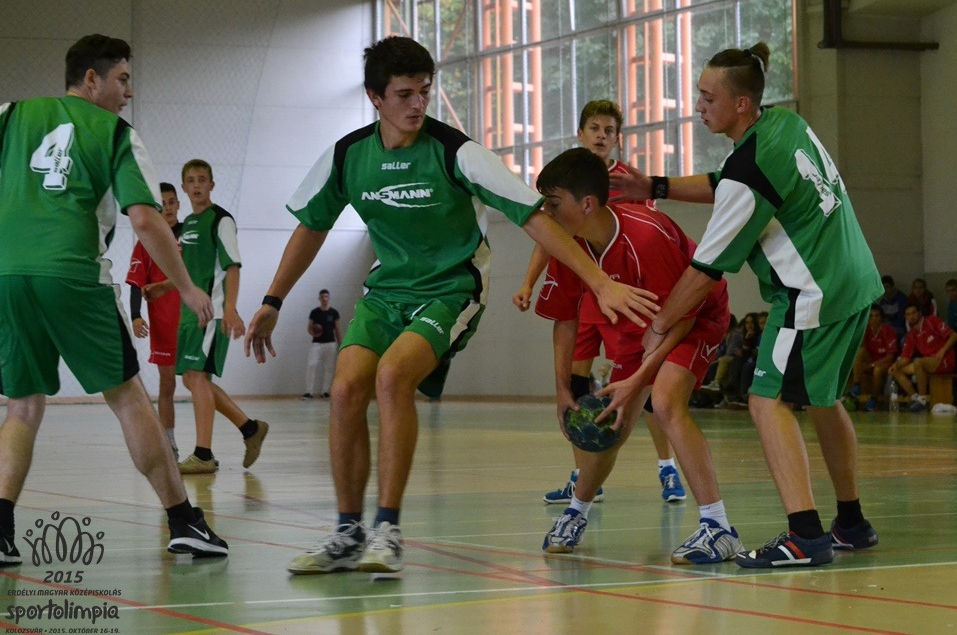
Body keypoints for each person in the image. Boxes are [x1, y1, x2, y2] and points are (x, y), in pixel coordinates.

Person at [243, 36, 655, 576]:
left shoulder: (456, 151)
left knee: (393, 377)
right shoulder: (348, 156)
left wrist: (599, 281)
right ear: (375, 98)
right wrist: (272, 300)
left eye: (425, 92)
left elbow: (535, 217)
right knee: (344, 390)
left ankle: (387, 529)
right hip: (386, 292)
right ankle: (347, 532)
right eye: (404, 94)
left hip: (452, 289)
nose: (418, 104)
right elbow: (311, 226)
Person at [609, 42, 882, 567]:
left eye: (707, 97)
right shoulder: (784, 124)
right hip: (855, 278)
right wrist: (655, 185)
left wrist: (659, 324)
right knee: (823, 399)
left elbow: (704, 272)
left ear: (740, 104)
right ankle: (851, 523)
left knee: (765, 401)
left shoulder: (749, 168)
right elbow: (726, 182)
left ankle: (805, 537)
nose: (698, 105)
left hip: (811, 294)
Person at [0, 34, 227, 565]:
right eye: (122, 79)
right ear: (91, 80)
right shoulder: (117, 133)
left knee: (23, 405)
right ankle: (183, 521)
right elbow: (145, 219)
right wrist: (188, 286)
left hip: (7, 275)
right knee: (128, 397)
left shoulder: (9, 115)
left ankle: (0, 530)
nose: (129, 91)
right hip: (73, 273)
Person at [535, 148, 742, 564]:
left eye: (553, 204)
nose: (545, 214)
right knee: (611, 418)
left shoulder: (645, 237)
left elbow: (681, 313)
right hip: (644, 325)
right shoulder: (568, 247)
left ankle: (718, 527)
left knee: (664, 401)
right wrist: (562, 390)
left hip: (696, 314)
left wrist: (638, 379)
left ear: (587, 204)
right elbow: (565, 320)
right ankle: (576, 512)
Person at [512, 100, 684, 506]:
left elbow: (646, 235)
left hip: (624, 296)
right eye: (595, 128)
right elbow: (549, 236)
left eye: (609, 130)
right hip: (584, 295)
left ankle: (668, 467)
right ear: (581, 133)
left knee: (645, 385)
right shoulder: (561, 184)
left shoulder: (628, 183)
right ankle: (584, 477)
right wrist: (528, 282)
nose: (602, 135)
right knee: (575, 386)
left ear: (617, 139)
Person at [175, 159, 268, 474]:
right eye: (191, 180)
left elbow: (232, 266)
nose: (197, 185)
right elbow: (188, 270)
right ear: (184, 186)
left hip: (212, 314)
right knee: (191, 379)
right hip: (189, 315)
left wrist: (230, 308)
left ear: (212, 185)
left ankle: (203, 454)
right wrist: (163, 288)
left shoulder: (221, 220)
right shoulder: (188, 223)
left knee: (198, 377)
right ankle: (250, 428)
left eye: (202, 179)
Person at [127, 181, 183, 457]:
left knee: (199, 383)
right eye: (163, 204)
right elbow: (135, 283)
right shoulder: (146, 242)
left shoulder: (193, 236)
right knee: (167, 384)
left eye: (172, 202)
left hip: (194, 322)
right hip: (163, 324)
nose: (168, 208)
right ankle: (168, 443)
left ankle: (204, 449)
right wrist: (136, 315)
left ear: (178, 205)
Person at [888, 304, 957, 412]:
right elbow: (905, 358)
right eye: (908, 314)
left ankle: (922, 401)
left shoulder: (932, 321)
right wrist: (894, 365)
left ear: (919, 313)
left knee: (918, 362)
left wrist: (943, 350)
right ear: (905, 317)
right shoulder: (911, 334)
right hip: (929, 362)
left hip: (944, 360)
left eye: (913, 313)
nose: (911, 316)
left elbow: (954, 336)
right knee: (896, 370)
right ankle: (915, 399)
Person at [848, 305, 898, 411]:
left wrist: (872, 364)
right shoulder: (866, 329)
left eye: (876, 316)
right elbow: (862, 348)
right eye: (871, 316)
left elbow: (890, 356)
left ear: (881, 317)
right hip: (872, 359)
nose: (874, 318)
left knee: (877, 370)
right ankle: (856, 386)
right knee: (860, 352)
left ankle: (874, 399)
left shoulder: (888, 330)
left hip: (885, 362)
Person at [303, 289, 342, 400]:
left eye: (326, 296)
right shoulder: (314, 312)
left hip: (331, 344)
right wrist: (314, 333)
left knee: (329, 368)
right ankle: (308, 392)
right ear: (319, 298)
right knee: (311, 365)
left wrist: (341, 345)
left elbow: (337, 329)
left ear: (328, 298)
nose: (324, 299)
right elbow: (309, 328)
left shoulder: (334, 312)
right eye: (322, 297)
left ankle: (325, 392)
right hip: (317, 344)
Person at [877, 275, 908, 343]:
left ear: (893, 287)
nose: (884, 290)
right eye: (882, 288)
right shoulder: (881, 301)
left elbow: (901, 320)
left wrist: (888, 328)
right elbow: (879, 318)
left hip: (900, 328)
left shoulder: (902, 299)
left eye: (886, 287)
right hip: (885, 328)